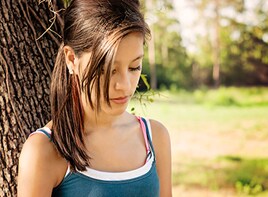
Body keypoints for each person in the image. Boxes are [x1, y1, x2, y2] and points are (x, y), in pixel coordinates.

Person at [17, 0, 172, 196]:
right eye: (107, 69)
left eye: (134, 67)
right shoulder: (44, 150)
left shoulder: (155, 138)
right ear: (72, 59)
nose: (124, 85)